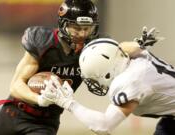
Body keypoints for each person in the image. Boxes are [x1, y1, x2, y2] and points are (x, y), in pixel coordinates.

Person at [0, 0, 99, 135]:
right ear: (63, 25)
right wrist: (39, 99)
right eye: (77, 28)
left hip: (44, 123)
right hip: (15, 113)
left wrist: (136, 46)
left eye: (87, 28)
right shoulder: (43, 41)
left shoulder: (94, 49)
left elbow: (122, 49)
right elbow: (16, 86)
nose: (82, 34)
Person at [41, 31, 175, 135]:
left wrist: (68, 103)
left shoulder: (131, 81)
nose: (94, 83)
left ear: (106, 72)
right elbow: (121, 47)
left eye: (93, 78)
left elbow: (104, 126)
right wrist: (138, 43)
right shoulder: (133, 56)